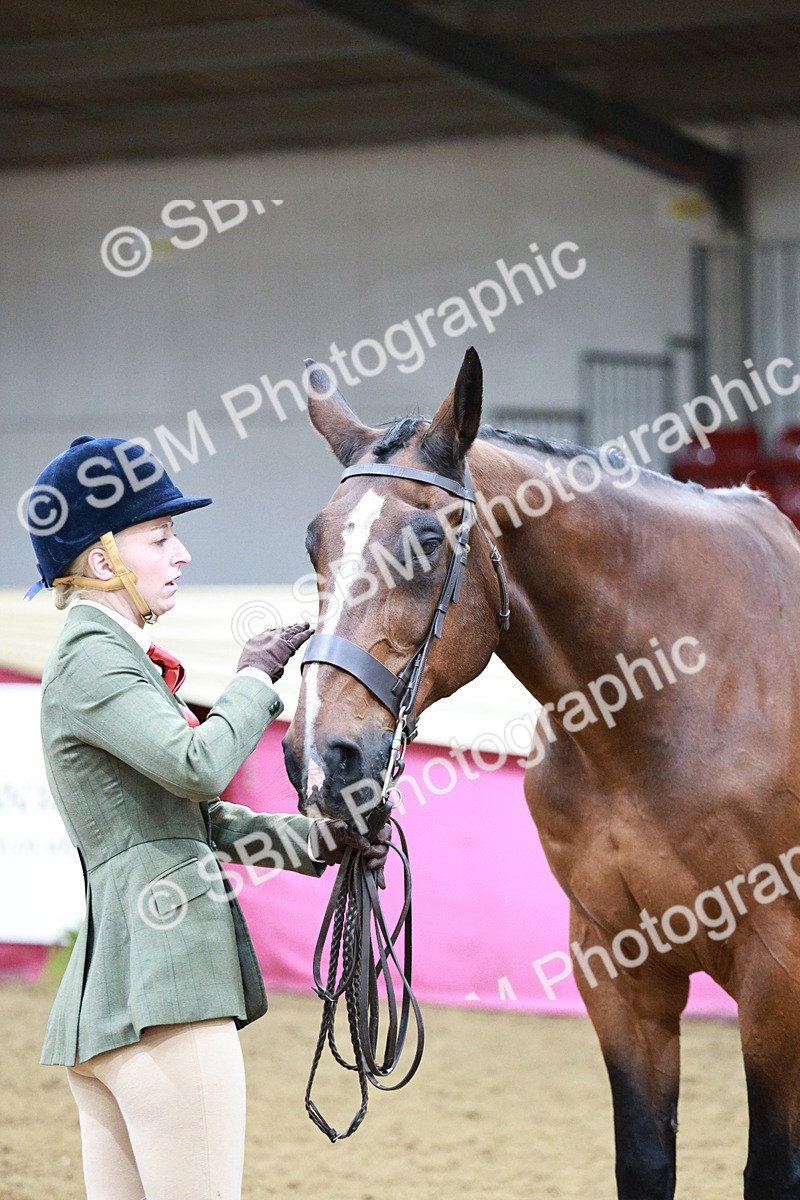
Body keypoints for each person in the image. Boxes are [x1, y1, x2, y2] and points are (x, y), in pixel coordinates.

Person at [23, 435, 389, 1200]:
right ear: (101, 560)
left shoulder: (107, 655)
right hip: (168, 991)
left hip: (117, 1004)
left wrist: (320, 839)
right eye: (160, 538)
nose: (182, 553)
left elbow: (196, 817)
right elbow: (199, 767)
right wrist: (254, 679)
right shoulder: (95, 656)